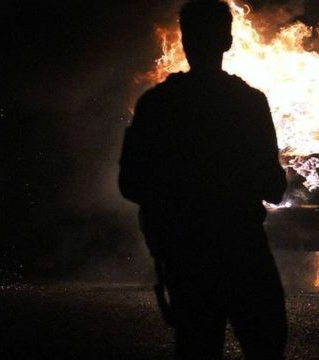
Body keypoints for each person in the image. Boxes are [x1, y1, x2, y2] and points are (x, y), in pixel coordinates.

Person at [118, 0, 288, 358]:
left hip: (186, 255)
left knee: (197, 348)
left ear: (184, 41)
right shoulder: (250, 103)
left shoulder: (156, 104)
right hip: (243, 251)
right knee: (266, 346)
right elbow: (273, 188)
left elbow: (130, 183)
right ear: (227, 42)